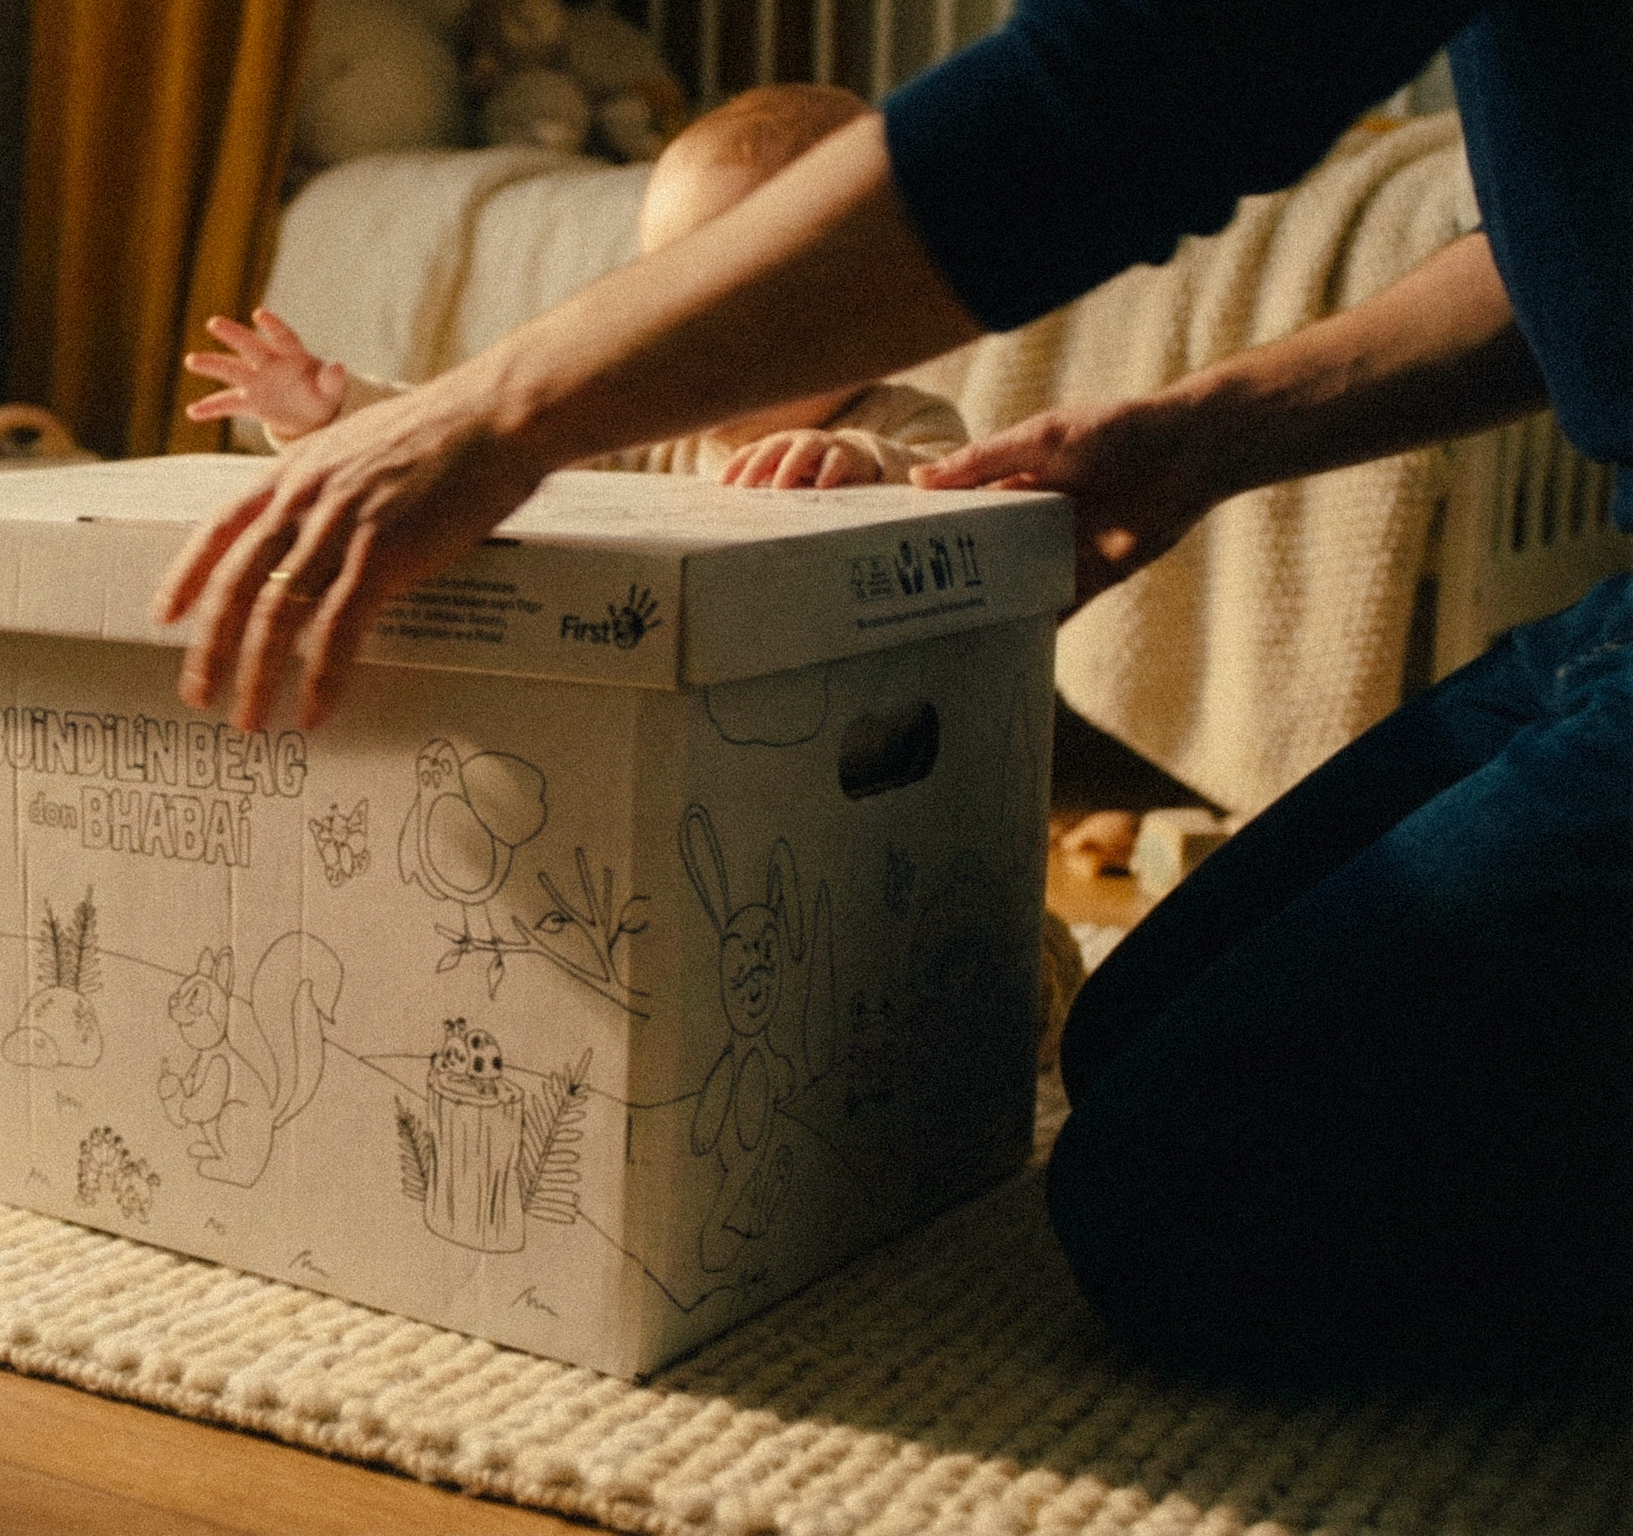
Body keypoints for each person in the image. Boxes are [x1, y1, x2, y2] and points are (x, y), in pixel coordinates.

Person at [155, 0, 1632, 1386]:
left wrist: (549, 416)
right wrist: (1199, 435)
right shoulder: (658, 449)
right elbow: (1559, 249)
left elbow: (1114, 96)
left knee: (1170, 1211)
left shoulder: (878, 412)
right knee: (1121, 1042)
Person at [185, 85, 967, 490]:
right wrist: (335, 411)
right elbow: (473, 438)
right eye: (676, 298)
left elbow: (951, 501)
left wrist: (859, 463)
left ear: (863, 311)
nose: (700, 335)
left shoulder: (902, 421)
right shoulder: (657, 427)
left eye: (752, 305)